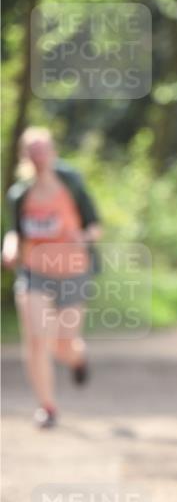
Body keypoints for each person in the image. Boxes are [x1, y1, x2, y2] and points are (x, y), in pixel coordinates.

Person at [3, 127, 102, 428]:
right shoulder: (19, 194)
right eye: (32, 150)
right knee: (36, 340)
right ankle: (47, 406)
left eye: (42, 149)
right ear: (24, 155)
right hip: (35, 273)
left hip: (72, 271)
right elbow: (15, 232)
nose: (38, 156)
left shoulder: (70, 182)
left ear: (52, 151)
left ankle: (78, 359)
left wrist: (82, 236)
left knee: (63, 344)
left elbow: (96, 226)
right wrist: (9, 247)